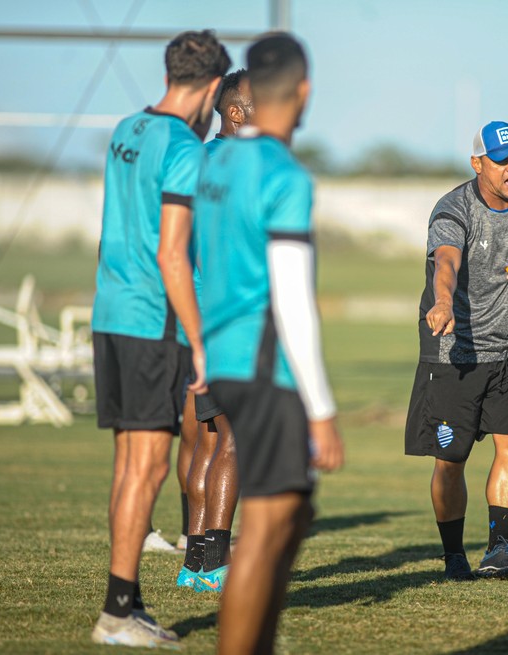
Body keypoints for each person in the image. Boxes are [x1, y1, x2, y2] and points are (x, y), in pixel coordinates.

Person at [193, 33, 344, 654]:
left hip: (222, 357)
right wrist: (323, 410)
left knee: (289, 515)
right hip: (266, 365)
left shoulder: (216, 162)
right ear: (303, 92)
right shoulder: (287, 176)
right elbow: (292, 301)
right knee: (267, 525)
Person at [89, 30, 230, 647]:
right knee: (144, 468)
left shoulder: (127, 129)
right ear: (214, 84)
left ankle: (124, 605)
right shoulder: (184, 147)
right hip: (153, 323)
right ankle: (119, 614)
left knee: (130, 467)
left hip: (109, 314)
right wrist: (199, 342)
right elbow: (174, 254)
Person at [404, 120, 508, 582]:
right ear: (477, 163)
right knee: (451, 462)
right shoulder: (453, 208)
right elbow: (446, 260)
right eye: (503, 159)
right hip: (455, 352)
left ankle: (499, 549)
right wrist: (442, 300)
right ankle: (453, 556)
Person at [176, 69, 253, 594]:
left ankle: (196, 562)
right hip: (229, 321)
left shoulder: (193, 161)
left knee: (207, 442)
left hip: (192, 320)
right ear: (235, 112)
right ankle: (218, 563)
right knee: (236, 439)